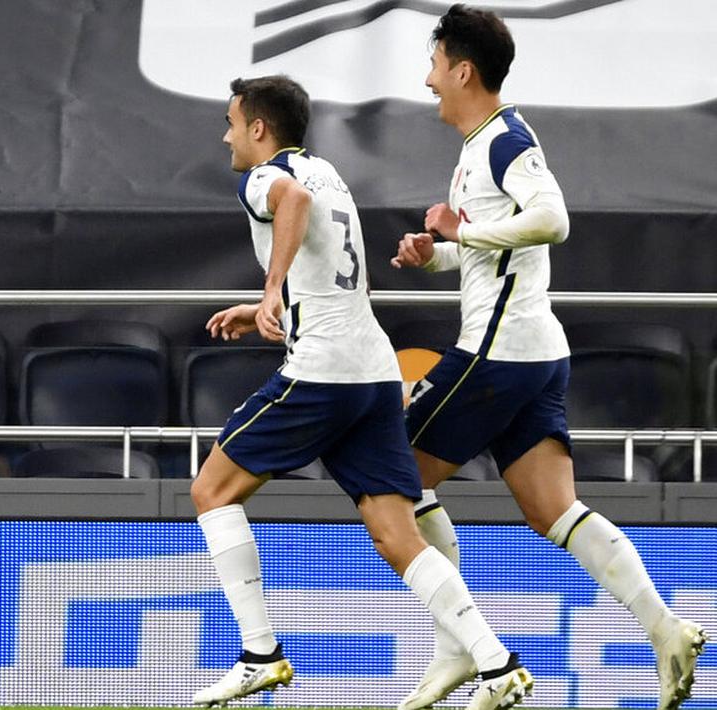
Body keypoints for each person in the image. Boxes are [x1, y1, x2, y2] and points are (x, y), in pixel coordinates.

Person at [391, 6, 706, 710]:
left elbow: (552, 219)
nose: (427, 80)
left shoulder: (504, 140)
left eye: (435, 65)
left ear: (462, 70)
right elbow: (499, 251)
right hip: (532, 355)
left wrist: (464, 232)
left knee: (389, 476)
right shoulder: (478, 145)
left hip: (497, 354)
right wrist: (435, 253)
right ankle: (664, 631)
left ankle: (459, 650)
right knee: (553, 509)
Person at [191, 74, 531, 710]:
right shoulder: (329, 171)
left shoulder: (269, 177)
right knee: (395, 532)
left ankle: (259, 654)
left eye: (233, 123)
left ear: (259, 129)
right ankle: (497, 663)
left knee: (211, 489)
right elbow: (330, 276)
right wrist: (268, 307)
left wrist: (270, 290)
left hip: (323, 371)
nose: (227, 136)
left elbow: (290, 203)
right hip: (374, 371)